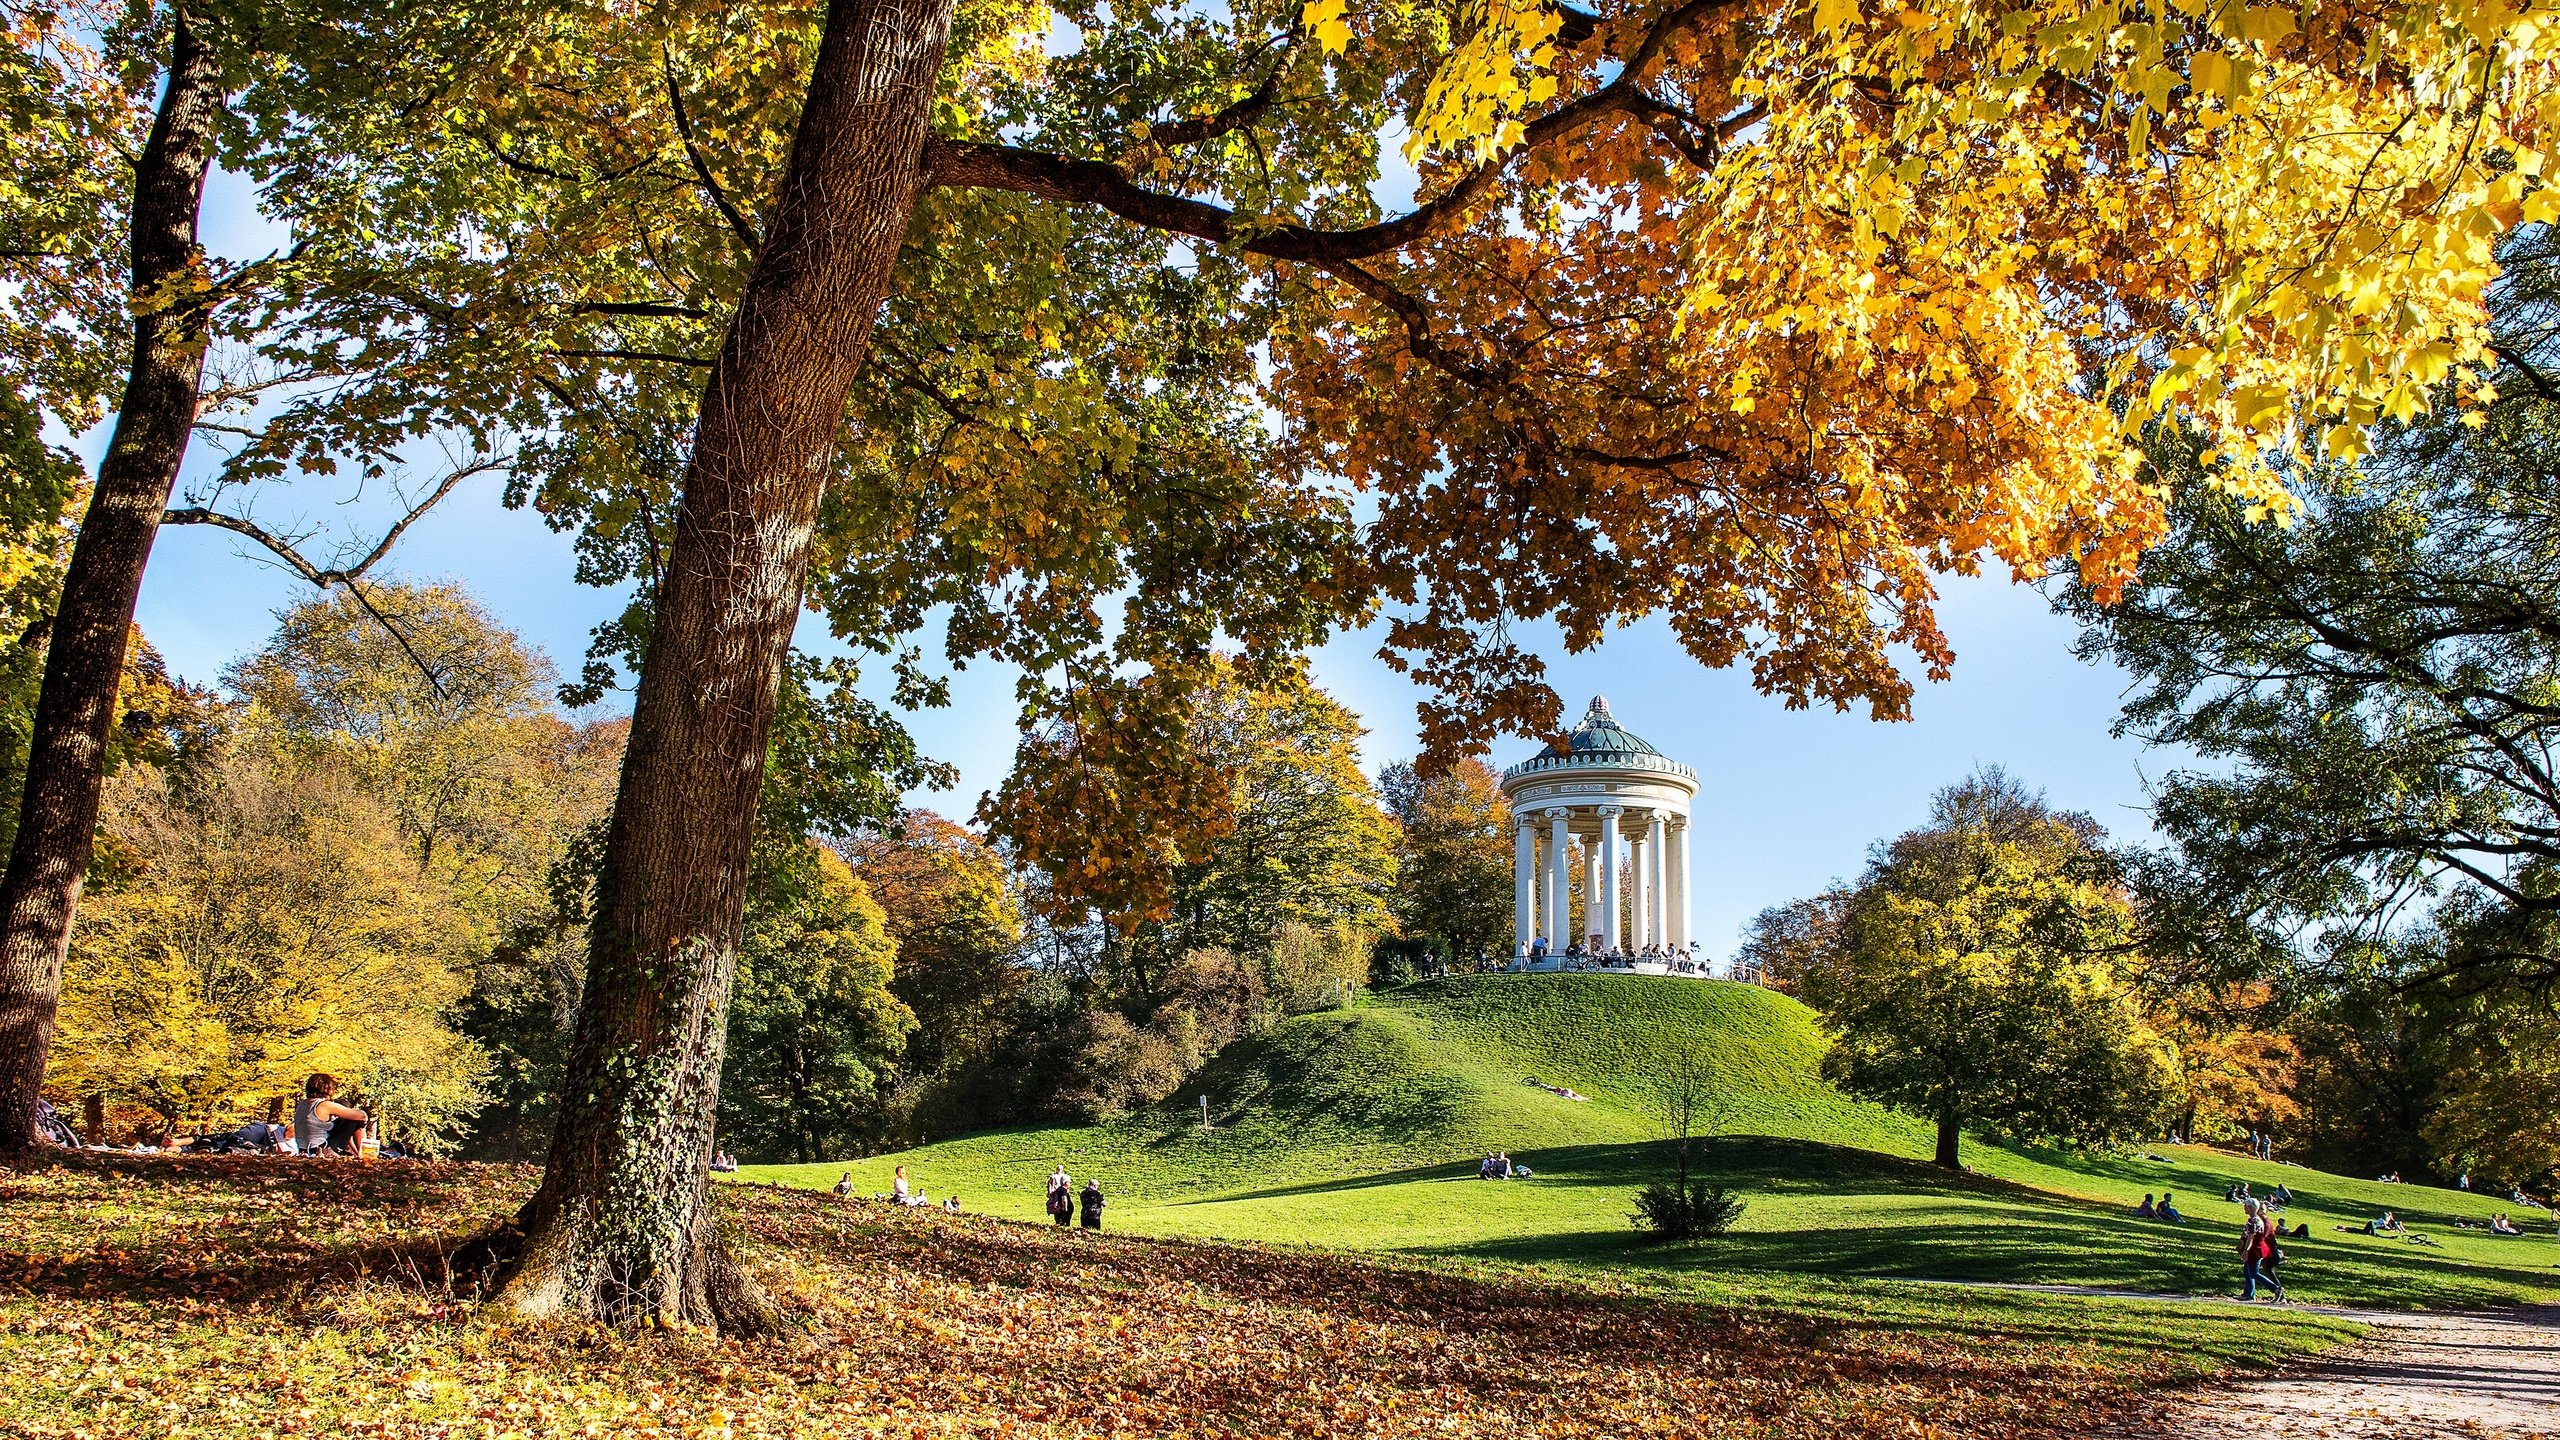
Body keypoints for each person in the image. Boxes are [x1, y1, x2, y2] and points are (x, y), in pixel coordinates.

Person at [293, 1075, 368, 1157]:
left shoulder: (301, 1105)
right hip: (322, 1148)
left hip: (304, 1149)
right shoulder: (324, 1105)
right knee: (357, 1120)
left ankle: (361, 1154)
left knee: (345, 1120)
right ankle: (366, 1155)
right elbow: (362, 1116)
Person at [2240, 1199, 2286, 1302]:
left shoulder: (2254, 1220)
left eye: (2246, 1206)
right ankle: (2249, 1295)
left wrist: (2246, 1250)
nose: (2244, 1208)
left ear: (2251, 1208)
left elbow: (2251, 1236)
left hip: (2256, 1250)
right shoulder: (2254, 1219)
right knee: (2247, 1271)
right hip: (2255, 1249)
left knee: (2254, 1273)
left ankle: (2276, 1289)